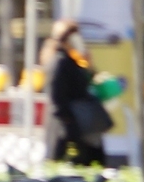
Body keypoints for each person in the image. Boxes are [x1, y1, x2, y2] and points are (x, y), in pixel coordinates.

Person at [40, 20, 108, 166]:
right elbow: (56, 97)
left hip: (80, 125)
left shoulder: (73, 61)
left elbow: (86, 82)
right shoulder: (60, 62)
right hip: (68, 129)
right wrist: (68, 122)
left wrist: (89, 65)